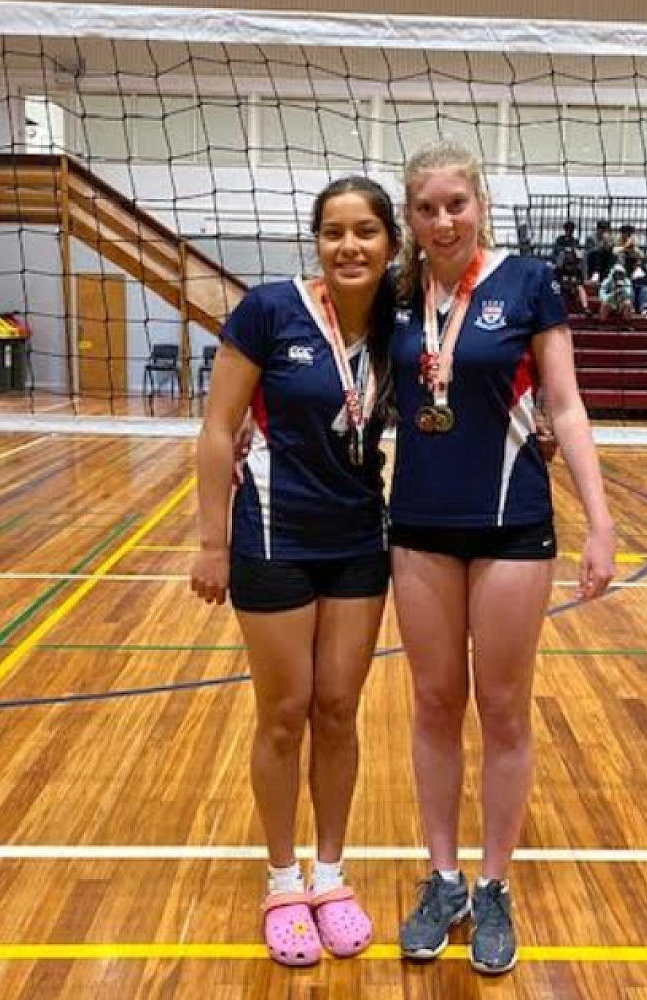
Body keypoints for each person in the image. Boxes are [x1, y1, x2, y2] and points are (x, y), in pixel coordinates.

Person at [389, 141, 616, 976]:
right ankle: (443, 879)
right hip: (418, 526)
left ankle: (492, 886)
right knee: (433, 703)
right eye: (426, 208)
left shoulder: (526, 284)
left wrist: (599, 521)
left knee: (504, 709)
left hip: (512, 524)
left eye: (456, 203)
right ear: (409, 218)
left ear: (479, 204)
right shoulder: (394, 294)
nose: (442, 220)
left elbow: (565, 403)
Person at [190, 176, 400, 968]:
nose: (349, 245)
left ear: (389, 244)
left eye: (365, 231)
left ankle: (331, 877)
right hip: (272, 539)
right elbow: (218, 430)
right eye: (333, 231)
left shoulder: (402, 323)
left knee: (338, 711)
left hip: (358, 542)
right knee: (284, 713)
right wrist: (211, 543)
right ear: (316, 241)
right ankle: (283, 882)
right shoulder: (269, 311)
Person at [551, 220, 590, 314]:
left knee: (580, 288)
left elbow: (578, 252)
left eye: (571, 229)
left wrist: (574, 253)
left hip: (573, 272)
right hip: (561, 267)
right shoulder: (560, 240)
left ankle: (585, 308)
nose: (569, 231)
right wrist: (565, 251)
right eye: (568, 229)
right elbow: (555, 251)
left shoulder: (575, 241)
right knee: (557, 288)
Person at [615, 223, 647, 316]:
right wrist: (626, 249)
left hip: (638, 284)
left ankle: (645, 309)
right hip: (623, 283)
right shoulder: (617, 252)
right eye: (625, 233)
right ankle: (630, 308)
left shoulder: (638, 254)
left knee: (645, 289)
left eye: (629, 233)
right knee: (628, 289)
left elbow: (646, 275)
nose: (628, 235)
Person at [585, 219, 615, 283]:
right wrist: (601, 245)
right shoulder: (591, 238)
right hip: (593, 260)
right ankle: (596, 273)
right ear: (597, 229)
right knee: (596, 254)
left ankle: (608, 275)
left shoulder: (610, 238)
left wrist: (607, 243)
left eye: (605, 228)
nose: (603, 230)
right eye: (601, 228)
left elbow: (611, 249)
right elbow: (589, 251)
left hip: (605, 259)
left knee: (612, 255)